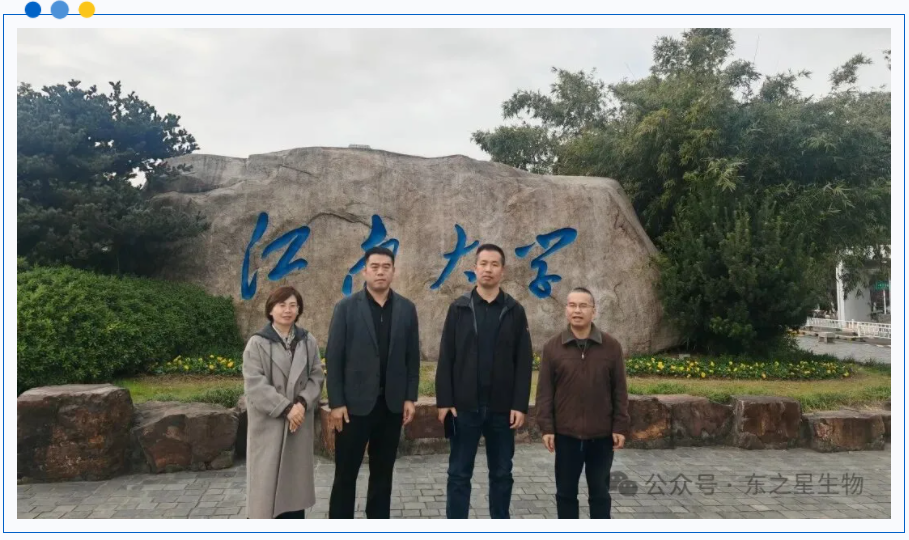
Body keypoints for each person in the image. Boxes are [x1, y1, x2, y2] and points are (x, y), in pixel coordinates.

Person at [435, 243, 534, 519]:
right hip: (464, 407)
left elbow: (523, 361)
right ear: (474, 268)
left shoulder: (514, 310)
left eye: (494, 264)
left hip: (502, 408)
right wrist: (444, 401)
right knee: (458, 473)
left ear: (503, 271)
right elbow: (446, 356)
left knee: (502, 473)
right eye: (483, 263)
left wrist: (520, 405)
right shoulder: (459, 308)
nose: (488, 269)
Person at [326, 246, 421, 519]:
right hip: (353, 408)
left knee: (383, 475)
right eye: (375, 267)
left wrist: (409, 397)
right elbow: (334, 358)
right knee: (345, 474)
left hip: (390, 406)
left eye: (386, 267)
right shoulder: (346, 308)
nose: (380, 272)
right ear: (365, 271)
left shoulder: (406, 309)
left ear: (393, 271)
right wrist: (336, 403)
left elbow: (412, 357)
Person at [534, 287, 630, 519]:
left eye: (583, 306)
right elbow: (544, 391)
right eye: (572, 305)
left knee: (600, 493)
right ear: (566, 310)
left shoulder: (611, 346)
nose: (577, 310)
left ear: (593, 311)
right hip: (566, 435)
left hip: (601, 435)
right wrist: (547, 427)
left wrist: (620, 426)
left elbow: (619, 390)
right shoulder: (553, 347)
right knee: (565, 494)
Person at [243, 286, 325, 519]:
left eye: (292, 305)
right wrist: (286, 408)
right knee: (265, 493)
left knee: (293, 491)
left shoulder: (307, 341)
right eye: (281, 305)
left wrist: (301, 403)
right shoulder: (257, 343)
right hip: (270, 424)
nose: (287, 310)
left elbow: (317, 376)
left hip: (297, 423)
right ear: (271, 310)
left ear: (299, 310)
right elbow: (254, 384)